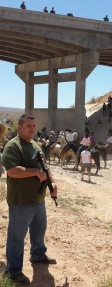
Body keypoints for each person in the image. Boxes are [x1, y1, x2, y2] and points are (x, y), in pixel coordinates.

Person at [2, 114, 57, 285]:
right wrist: (35, 172)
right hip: (21, 201)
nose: (32, 128)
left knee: (39, 231)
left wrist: (52, 183)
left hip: (38, 199)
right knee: (17, 237)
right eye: (28, 126)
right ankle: (13, 271)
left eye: (34, 125)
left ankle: (38, 255)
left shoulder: (35, 145)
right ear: (19, 127)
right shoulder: (13, 146)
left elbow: (45, 167)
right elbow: (12, 171)